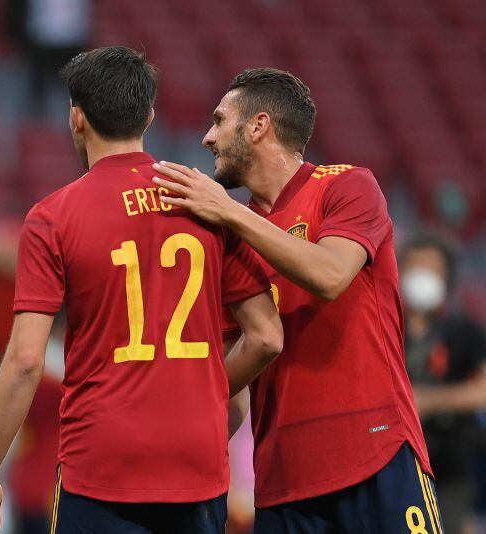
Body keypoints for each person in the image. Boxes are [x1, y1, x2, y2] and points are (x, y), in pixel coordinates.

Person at [0, 47, 283, 534]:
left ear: (77, 117)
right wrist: (211, 396)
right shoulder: (205, 202)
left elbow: (27, 360)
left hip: (102, 463)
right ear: (150, 115)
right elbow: (265, 337)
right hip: (197, 459)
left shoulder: (53, 217)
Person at [153, 67, 442, 533]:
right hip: (284, 481)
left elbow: (329, 276)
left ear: (258, 126)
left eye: (219, 120)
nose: (207, 138)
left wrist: (227, 212)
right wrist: (174, 447)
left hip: (376, 454)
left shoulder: (346, 186)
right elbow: (227, 364)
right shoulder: (227, 236)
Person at [401, 233, 486, 533]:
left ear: (446, 277)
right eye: (414, 266)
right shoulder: (384, 326)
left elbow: (481, 390)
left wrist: (429, 400)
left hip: (448, 469)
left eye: (431, 268)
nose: (421, 274)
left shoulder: (464, 332)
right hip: (394, 465)